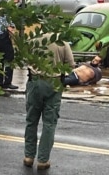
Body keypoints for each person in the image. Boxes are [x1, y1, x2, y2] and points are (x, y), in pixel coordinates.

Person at [23, 33, 75, 170]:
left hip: (35, 81)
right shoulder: (62, 42)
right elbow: (70, 65)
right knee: (49, 123)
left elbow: (25, 60)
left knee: (31, 120)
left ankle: (29, 156)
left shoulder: (33, 39)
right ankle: (43, 159)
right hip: (54, 83)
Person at [0, 15, 19, 89]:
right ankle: (7, 82)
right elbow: (10, 29)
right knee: (9, 60)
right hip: (5, 37)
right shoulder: (9, 15)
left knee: (0, 60)